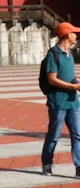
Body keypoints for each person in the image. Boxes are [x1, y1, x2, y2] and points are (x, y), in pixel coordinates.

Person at [42, 21, 80, 176]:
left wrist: (75, 81)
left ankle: (79, 167)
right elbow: (52, 79)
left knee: (78, 135)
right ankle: (47, 163)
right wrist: (73, 87)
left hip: (73, 102)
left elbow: (69, 76)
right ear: (66, 34)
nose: (76, 35)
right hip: (58, 102)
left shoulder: (70, 54)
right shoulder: (53, 55)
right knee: (54, 135)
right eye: (73, 33)